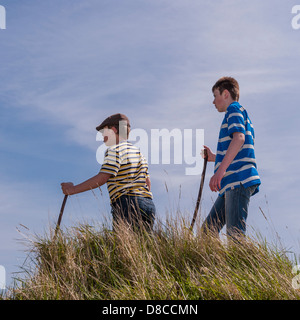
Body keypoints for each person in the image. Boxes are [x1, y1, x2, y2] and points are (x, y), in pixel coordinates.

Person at [61, 113, 156, 231]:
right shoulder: (138, 153)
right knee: (142, 244)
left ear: (113, 130)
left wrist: (72, 190)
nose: (102, 137)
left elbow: (103, 178)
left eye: (104, 132)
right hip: (148, 204)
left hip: (127, 204)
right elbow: (147, 183)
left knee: (124, 246)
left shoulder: (114, 150)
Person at [201, 77, 261, 239]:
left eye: (215, 96)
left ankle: (243, 264)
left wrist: (219, 173)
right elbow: (238, 146)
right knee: (207, 232)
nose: (213, 102)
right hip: (231, 183)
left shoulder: (233, 109)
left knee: (235, 236)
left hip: (237, 180)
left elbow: (239, 138)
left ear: (225, 93)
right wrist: (214, 157)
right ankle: (214, 264)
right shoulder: (239, 113)